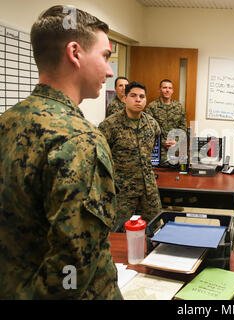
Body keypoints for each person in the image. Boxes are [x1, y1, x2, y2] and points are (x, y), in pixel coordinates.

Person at [0, 5, 122, 299]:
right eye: (105, 56)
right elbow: (74, 263)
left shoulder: (7, 123)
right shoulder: (80, 139)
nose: (109, 70)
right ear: (75, 53)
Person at [99, 81, 162, 224]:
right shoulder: (109, 125)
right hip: (122, 191)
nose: (138, 99)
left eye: (142, 96)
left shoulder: (152, 125)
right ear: (124, 98)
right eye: (133, 95)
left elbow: (152, 152)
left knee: (154, 228)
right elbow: (101, 159)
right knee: (119, 231)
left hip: (148, 189)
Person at [146, 79, 187, 165]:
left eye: (170, 88)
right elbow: (149, 130)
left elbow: (183, 128)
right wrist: (162, 142)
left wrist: (175, 141)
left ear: (172, 91)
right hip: (158, 149)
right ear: (159, 90)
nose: (167, 90)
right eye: (164, 87)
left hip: (176, 148)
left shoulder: (178, 107)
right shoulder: (152, 107)